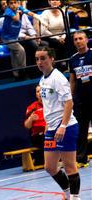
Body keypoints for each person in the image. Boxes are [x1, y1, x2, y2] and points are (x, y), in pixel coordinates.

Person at [35, 47, 81, 200]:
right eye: (37, 59)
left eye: (43, 58)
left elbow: (69, 103)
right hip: (52, 128)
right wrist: (49, 126)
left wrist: (62, 126)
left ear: (52, 59)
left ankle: (75, 197)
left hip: (66, 127)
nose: (40, 62)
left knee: (69, 165)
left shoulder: (58, 78)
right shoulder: (43, 79)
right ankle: (68, 194)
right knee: (50, 167)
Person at [1, 0, 45, 81]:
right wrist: (18, 11)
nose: (14, 5)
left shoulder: (19, 8)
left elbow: (28, 12)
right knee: (21, 50)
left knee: (14, 54)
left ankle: (16, 74)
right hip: (6, 38)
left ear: (18, 3)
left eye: (15, 2)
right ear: (8, 5)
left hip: (14, 37)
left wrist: (37, 16)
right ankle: (23, 71)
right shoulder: (8, 11)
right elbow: (16, 19)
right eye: (11, 3)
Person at [69, 30, 92, 168]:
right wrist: (71, 99)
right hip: (81, 101)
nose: (78, 41)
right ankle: (82, 158)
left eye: (80, 38)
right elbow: (72, 81)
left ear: (86, 40)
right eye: (76, 39)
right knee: (81, 130)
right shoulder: (73, 59)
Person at [24, 85, 46, 166]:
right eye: (37, 91)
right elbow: (27, 126)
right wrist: (31, 119)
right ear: (36, 95)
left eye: (41, 90)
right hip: (38, 136)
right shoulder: (32, 107)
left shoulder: (52, 104)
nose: (40, 93)